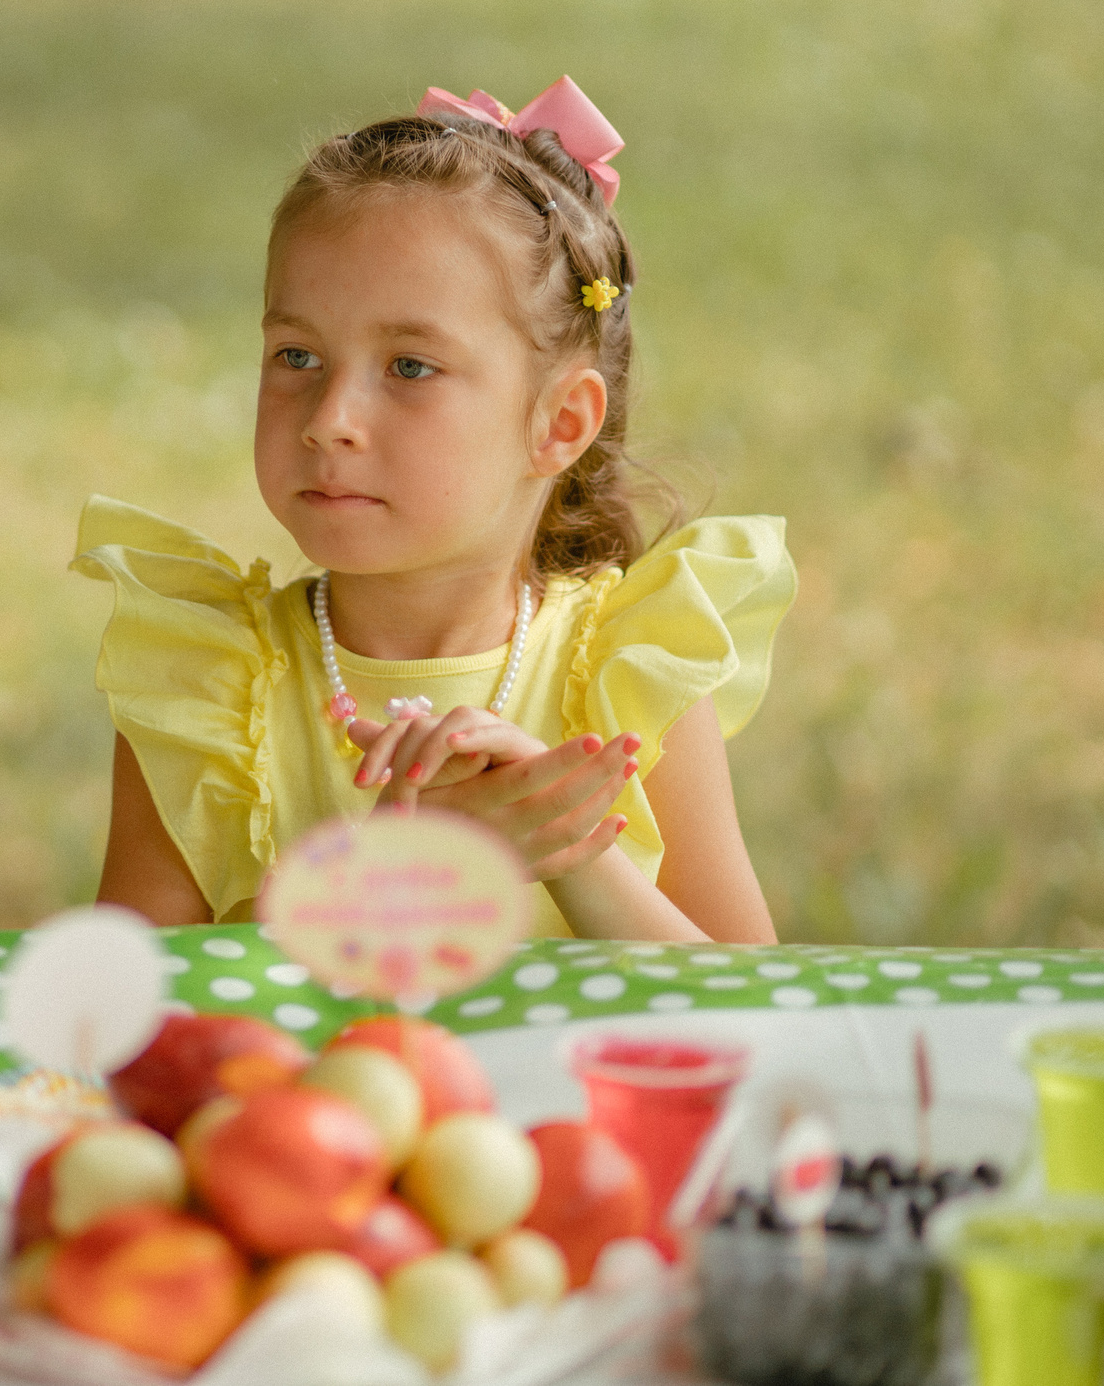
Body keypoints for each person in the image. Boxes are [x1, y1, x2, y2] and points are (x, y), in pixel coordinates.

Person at [77, 80, 792, 942]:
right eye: (296, 354)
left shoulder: (633, 673)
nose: (329, 418)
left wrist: (573, 853)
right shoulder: (205, 687)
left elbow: (756, 1006)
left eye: (410, 368)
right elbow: (129, 1015)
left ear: (559, 424)